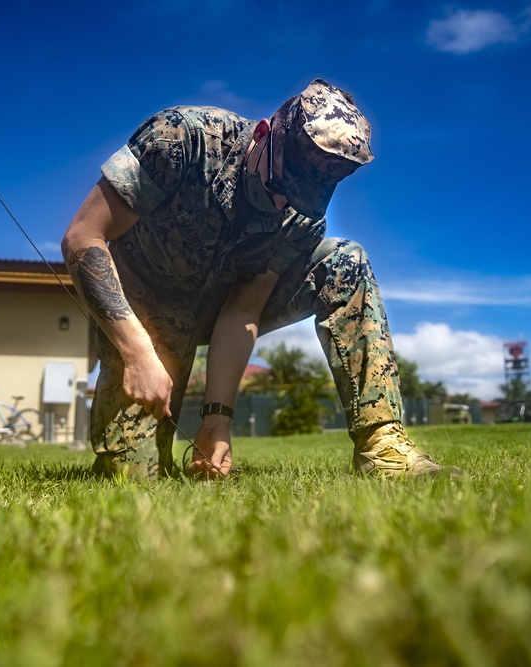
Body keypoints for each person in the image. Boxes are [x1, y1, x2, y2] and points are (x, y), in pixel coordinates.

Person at [62, 78, 452, 480]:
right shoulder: (181, 139)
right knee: (133, 477)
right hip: (147, 306)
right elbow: (83, 236)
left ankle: (382, 447)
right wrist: (138, 354)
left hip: (216, 304)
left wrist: (218, 419)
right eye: (280, 188)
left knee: (343, 261)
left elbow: (243, 309)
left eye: (298, 200)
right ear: (264, 135)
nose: (284, 204)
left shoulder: (302, 216)